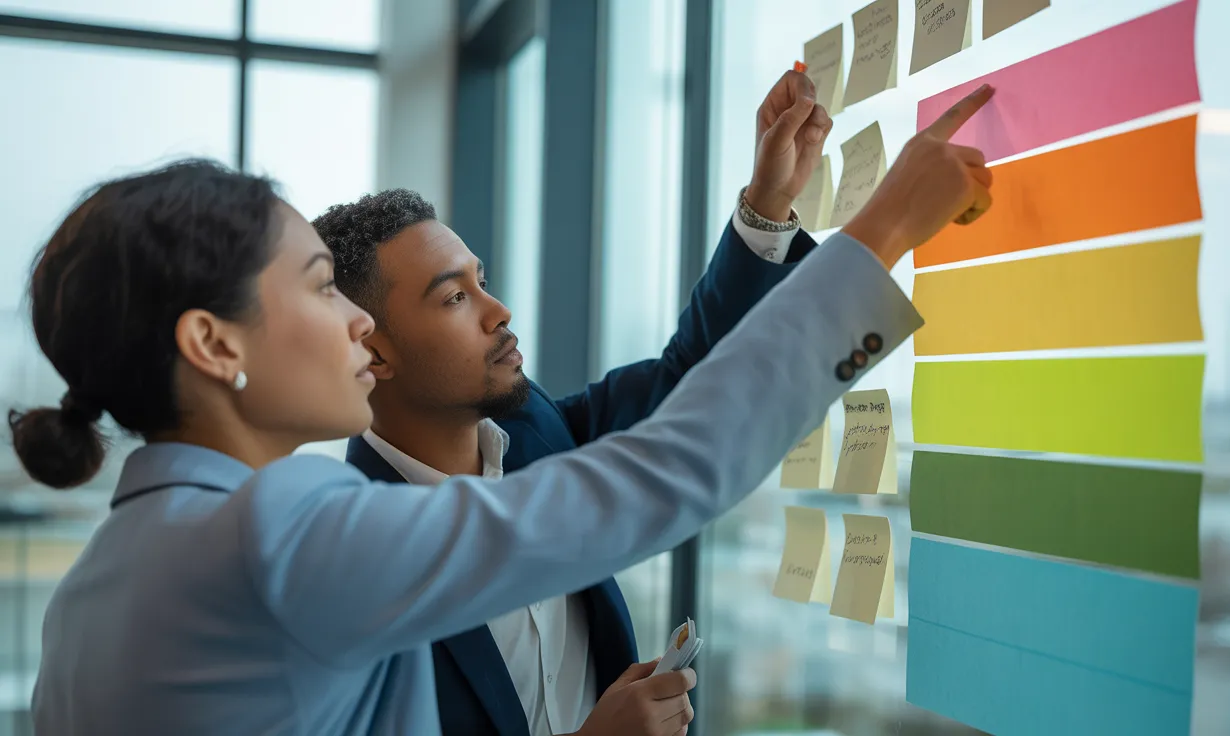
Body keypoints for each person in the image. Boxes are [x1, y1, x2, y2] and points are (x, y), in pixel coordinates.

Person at [14, 83, 994, 735]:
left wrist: (772, 218)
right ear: (214, 344)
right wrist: (881, 230)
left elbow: (683, 381)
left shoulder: (92, 593)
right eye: (321, 289)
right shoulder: (278, 534)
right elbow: (671, 468)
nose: (354, 327)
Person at [311, 69, 833, 736]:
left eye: (484, 282)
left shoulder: (537, 429)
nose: (499, 312)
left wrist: (768, 202)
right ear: (373, 353)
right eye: (454, 298)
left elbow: (688, 377)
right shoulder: (340, 561)